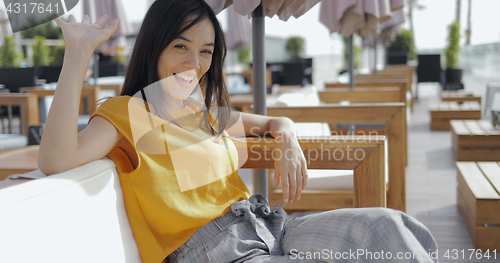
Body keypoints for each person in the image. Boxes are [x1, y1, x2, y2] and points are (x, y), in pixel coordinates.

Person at [38, 0, 438, 262]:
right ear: (154, 46)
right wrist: (77, 55)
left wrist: (287, 138)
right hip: (216, 251)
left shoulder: (201, 111)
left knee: (390, 228)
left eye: (206, 51)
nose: (194, 63)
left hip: (269, 225)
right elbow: (57, 159)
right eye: (181, 46)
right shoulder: (129, 113)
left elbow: (272, 122)